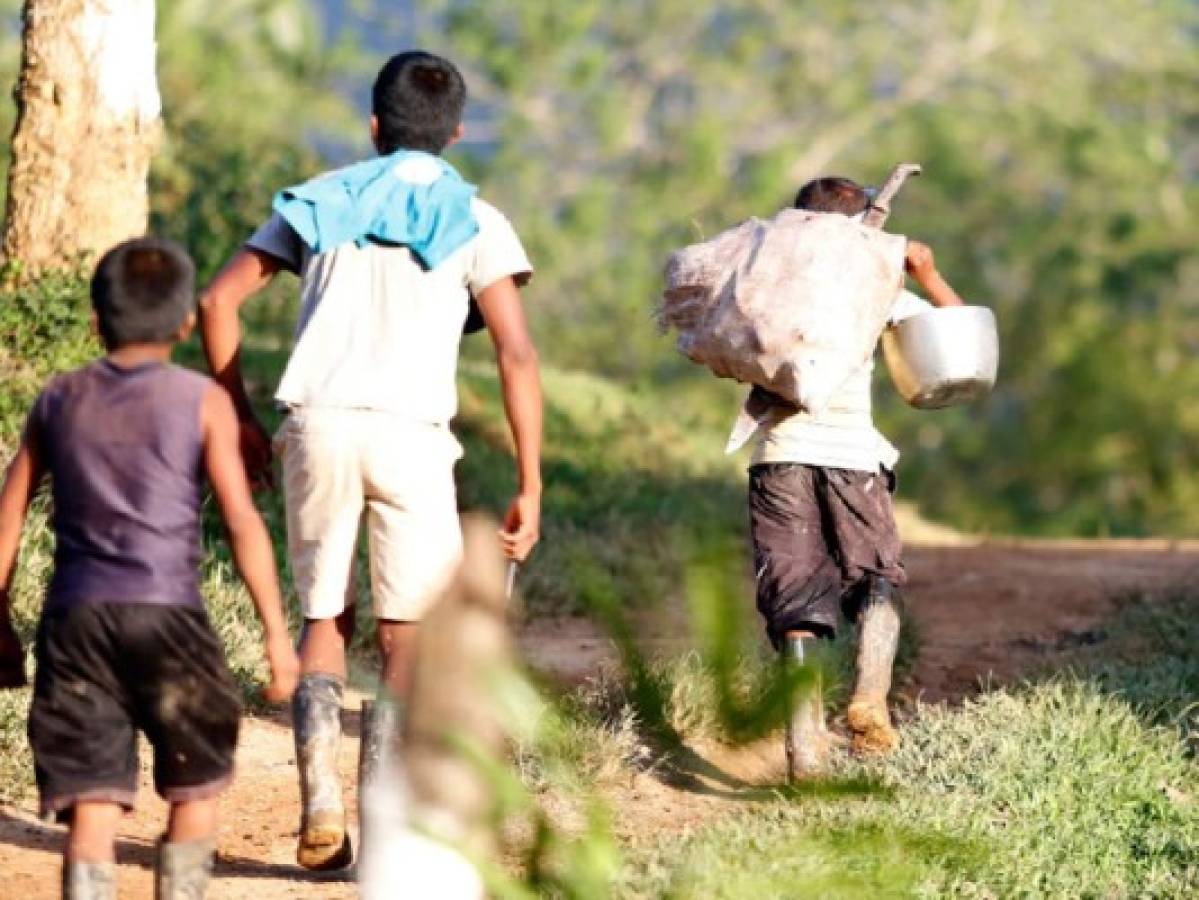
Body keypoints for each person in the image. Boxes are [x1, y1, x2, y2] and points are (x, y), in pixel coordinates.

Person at [198, 50, 542, 870]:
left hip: (317, 423)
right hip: (413, 435)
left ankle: (317, 803)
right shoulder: (479, 220)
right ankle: (385, 831)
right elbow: (516, 354)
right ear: (457, 132)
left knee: (325, 619)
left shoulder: (321, 199)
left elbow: (216, 300)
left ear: (375, 125)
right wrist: (530, 478)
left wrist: (238, 415)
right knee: (404, 638)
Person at [0, 237, 300, 900]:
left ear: (95, 320)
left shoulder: (57, 399)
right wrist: (278, 637)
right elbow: (242, 521)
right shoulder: (200, 400)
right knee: (193, 783)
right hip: (170, 618)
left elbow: (7, 521)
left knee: (92, 806)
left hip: (76, 622)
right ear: (186, 323)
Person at [744, 176, 964, 776]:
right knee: (875, 578)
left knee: (793, 601)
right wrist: (924, 271)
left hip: (778, 456)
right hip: (852, 457)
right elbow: (960, 333)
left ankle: (804, 746)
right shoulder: (873, 285)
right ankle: (869, 696)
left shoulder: (766, 282)